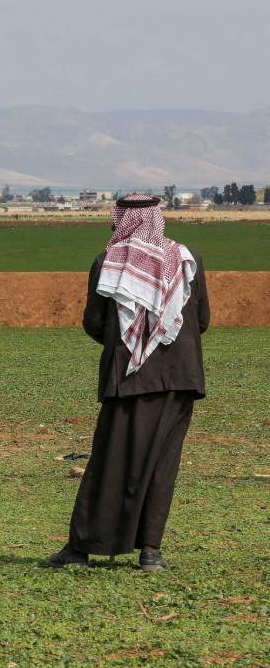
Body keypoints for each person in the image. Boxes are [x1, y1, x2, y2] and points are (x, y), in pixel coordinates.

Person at [47, 194, 209, 572]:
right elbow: (200, 320)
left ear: (120, 220)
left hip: (129, 378)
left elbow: (95, 322)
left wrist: (130, 345)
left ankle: (82, 547)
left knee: (109, 460)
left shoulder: (109, 263)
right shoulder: (188, 260)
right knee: (161, 464)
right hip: (179, 378)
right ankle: (150, 552)